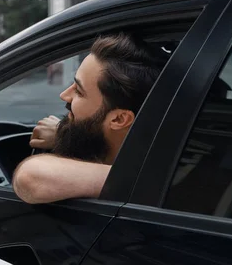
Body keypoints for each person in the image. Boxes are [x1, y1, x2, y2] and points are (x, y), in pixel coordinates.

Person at [13, 32, 166, 204]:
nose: (64, 95)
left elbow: (31, 177)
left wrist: (61, 136)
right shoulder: (158, 155)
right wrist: (63, 134)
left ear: (119, 119)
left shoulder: (155, 181)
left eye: (79, 91)